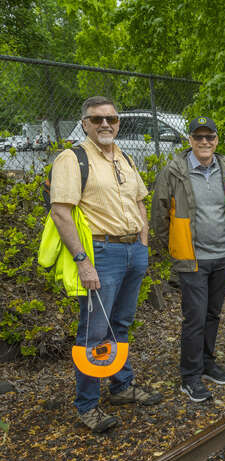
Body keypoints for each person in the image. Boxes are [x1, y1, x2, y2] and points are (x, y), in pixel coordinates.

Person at [50, 96, 162, 432]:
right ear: (84, 123)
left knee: (121, 325)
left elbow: (141, 202)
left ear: (118, 122)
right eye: (97, 119)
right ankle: (87, 406)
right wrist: (83, 261)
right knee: (94, 332)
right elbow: (60, 211)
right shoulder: (73, 159)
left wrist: (142, 244)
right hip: (101, 253)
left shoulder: (124, 157)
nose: (105, 125)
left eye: (111, 119)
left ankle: (121, 387)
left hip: (132, 252)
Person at [151, 116, 225, 403]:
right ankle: (190, 376)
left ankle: (207, 363)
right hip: (192, 260)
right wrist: (175, 249)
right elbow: (159, 216)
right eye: (198, 137)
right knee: (195, 318)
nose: (204, 142)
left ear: (216, 140)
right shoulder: (174, 172)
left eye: (209, 137)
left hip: (223, 256)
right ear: (189, 140)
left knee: (213, 314)